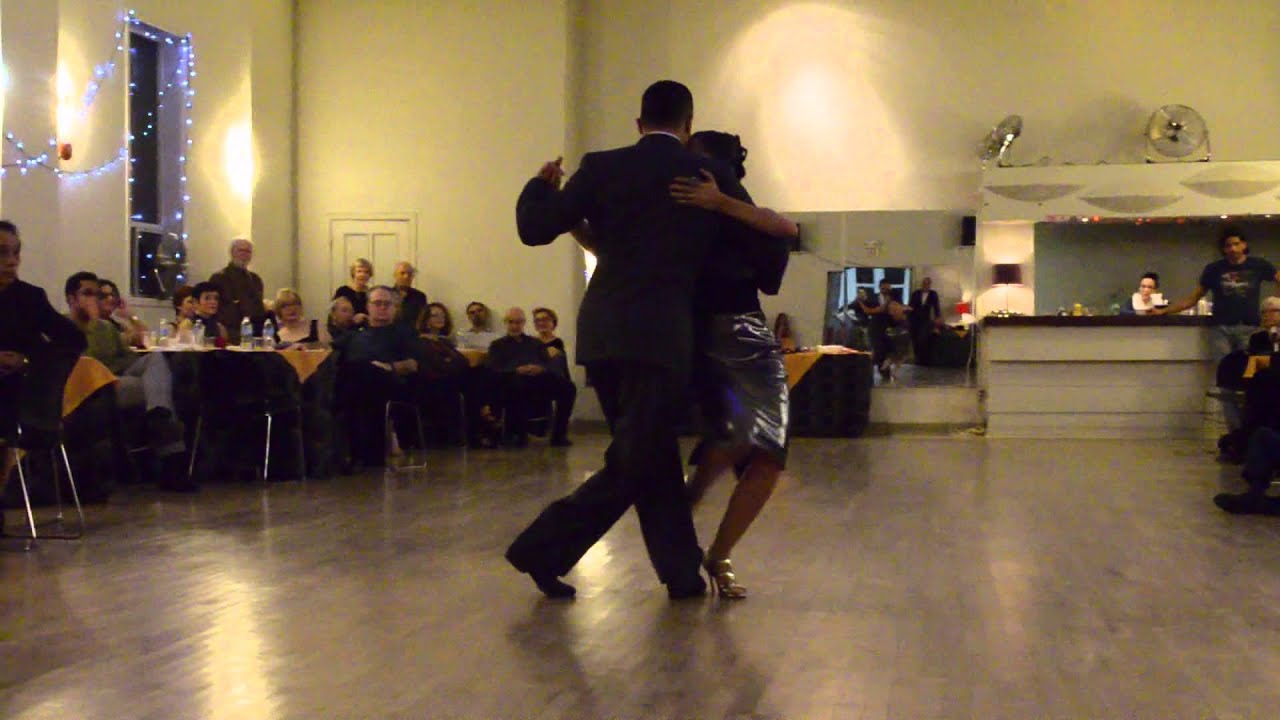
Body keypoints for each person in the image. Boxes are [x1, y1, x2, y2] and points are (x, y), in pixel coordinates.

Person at [506, 80, 764, 600]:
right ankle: (540, 549)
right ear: (689, 125)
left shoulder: (600, 166)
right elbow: (760, 243)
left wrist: (540, 184)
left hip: (602, 332)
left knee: (650, 453)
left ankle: (681, 574)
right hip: (663, 337)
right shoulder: (708, 176)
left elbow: (535, 228)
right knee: (634, 458)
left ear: (638, 122)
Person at [668, 129, 793, 598]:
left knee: (759, 451)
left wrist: (719, 202)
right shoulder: (684, 210)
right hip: (714, 335)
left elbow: (787, 231)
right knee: (742, 444)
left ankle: (712, 547)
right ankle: (696, 533)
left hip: (736, 336)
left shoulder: (734, 212)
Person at [64, 272, 190, 491]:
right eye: (88, 294)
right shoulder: (63, 325)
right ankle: (170, 454)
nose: (94, 299)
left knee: (156, 359)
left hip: (118, 376)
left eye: (97, 294)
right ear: (71, 299)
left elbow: (128, 358)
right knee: (160, 390)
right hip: (91, 385)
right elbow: (81, 361)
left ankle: (158, 415)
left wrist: (127, 320)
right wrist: (90, 325)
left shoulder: (106, 328)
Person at [0, 222, 88, 528]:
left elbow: (73, 340)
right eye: (2, 254)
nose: (12, 261)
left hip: (22, 399)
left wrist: (27, 360)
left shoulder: (29, 298)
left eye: (16, 253)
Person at [1156, 229, 1280, 431]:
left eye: (1236, 244)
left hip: (1250, 330)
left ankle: (1251, 428)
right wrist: (1165, 311)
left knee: (1251, 380)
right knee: (1226, 381)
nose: (1232, 249)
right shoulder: (1214, 269)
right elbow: (1194, 298)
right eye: (1228, 245)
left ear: (1244, 245)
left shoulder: (1258, 265)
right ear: (1223, 249)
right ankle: (1236, 432)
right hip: (1220, 329)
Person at [332, 286, 426, 467]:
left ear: (395, 308)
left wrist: (388, 367)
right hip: (355, 384)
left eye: (386, 304)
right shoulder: (354, 335)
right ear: (368, 307)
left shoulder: (405, 333)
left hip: (393, 384)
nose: (382, 307)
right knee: (344, 378)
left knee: (362, 375)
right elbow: (328, 350)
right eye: (377, 303)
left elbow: (414, 364)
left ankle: (364, 454)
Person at [488, 307, 576, 447]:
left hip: (538, 381)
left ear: (524, 323)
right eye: (511, 322)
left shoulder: (535, 343)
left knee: (568, 388)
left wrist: (540, 368)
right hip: (511, 382)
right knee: (518, 384)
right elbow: (494, 368)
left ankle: (559, 435)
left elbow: (547, 363)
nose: (515, 326)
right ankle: (517, 434)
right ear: (506, 323)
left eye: (519, 322)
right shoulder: (497, 345)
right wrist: (516, 370)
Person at [209, 238, 266, 344]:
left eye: (248, 251)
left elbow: (259, 309)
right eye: (241, 250)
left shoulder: (256, 280)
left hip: (253, 334)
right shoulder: (219, 278)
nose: (244, 254)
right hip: (229, 333)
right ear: (232, 253)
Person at [859, 279, 902, 378]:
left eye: (887, 288)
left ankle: (885, 371)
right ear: (880, 287)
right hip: (875, 327)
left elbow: (898, 309)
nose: (886, 290)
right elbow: (867, 310)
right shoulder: (873, 297)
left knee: (889, 350)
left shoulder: (895, 298)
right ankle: (870, 371)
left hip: (890, 327)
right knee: (878, 349)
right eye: (883, 288)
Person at [97, 279, 147, 347]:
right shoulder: (91, 323)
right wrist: (129, 337)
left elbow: (145, 338)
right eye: (104, 296)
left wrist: (131, 316)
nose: (110, 299)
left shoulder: (115, 324)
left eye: (113, 295)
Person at [908, 277, 941, 365]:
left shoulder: (933, 294)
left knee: (922, 339)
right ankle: (917, 359)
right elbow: (910, 305)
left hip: (925, 320)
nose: (925, 285)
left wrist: (938, 318)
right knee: (914, 340)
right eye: (924, 283)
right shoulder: (916, 293)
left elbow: (936, 307)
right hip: (914, 319)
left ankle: (923, 359)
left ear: (930, 285)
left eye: (927, 284)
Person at [333, 258, 373, 326]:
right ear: (353, 274)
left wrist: (367, 318)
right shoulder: (343, 291)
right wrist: (352, 320)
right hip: (346, 331)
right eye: (359, 271)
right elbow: (335, 316)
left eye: (366, 272)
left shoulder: (372, 294)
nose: (362, 275)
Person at [392, 261, 428, 330]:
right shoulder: (387, 295)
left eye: (410, 274)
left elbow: (423, 320)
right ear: (395, 275)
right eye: (402, 273)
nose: (406, 276)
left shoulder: (420, 296)